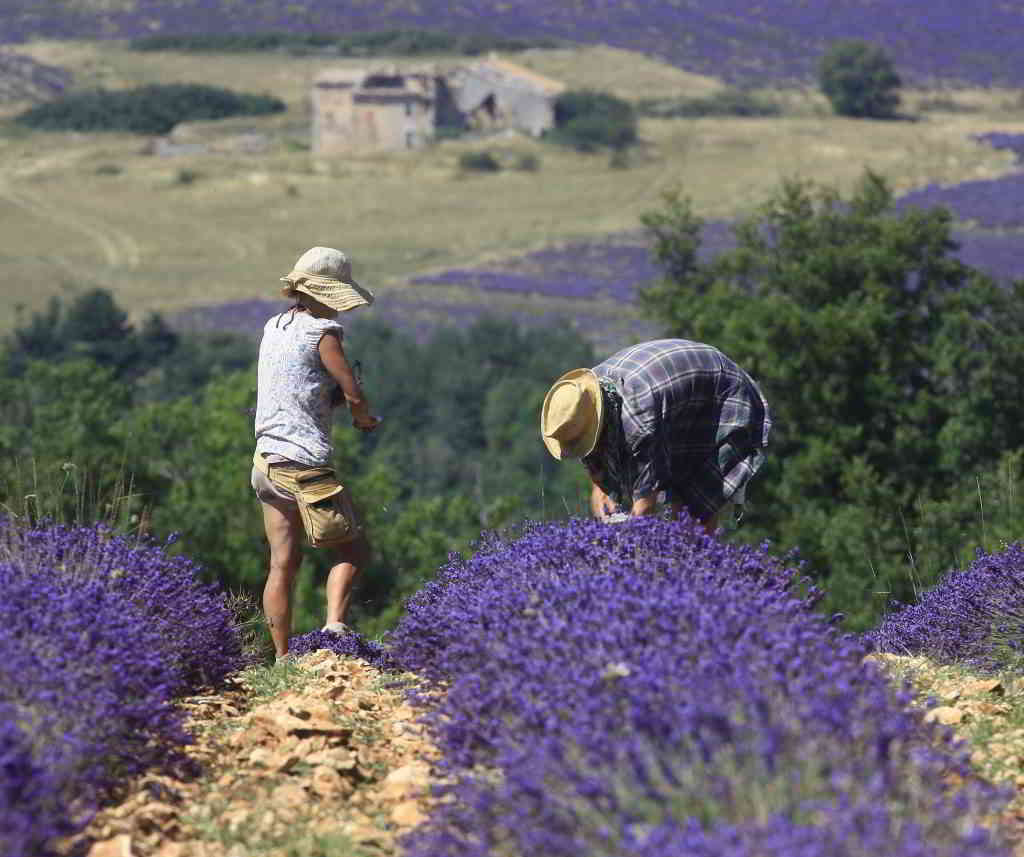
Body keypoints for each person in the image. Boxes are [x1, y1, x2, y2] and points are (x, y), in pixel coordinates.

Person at [251, 246, 381, 662]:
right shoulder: (323, 333)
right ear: (327, 294)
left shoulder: (275, 325)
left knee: (282, 564)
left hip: (266, 461)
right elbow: (351, 390)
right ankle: (334, 632)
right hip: (304, 464)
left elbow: (301, 385)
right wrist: (363, 418)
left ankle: (283, 658)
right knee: (355, 551)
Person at [541, 338, 771, 532]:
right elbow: (595, 457)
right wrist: (600, 490)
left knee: (695, 506)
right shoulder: (588, 396)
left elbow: (645, 505)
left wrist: (622, 543)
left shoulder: (638, 423)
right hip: (673, 394)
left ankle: (697, 570)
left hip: (720, 393)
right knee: (668, 501)